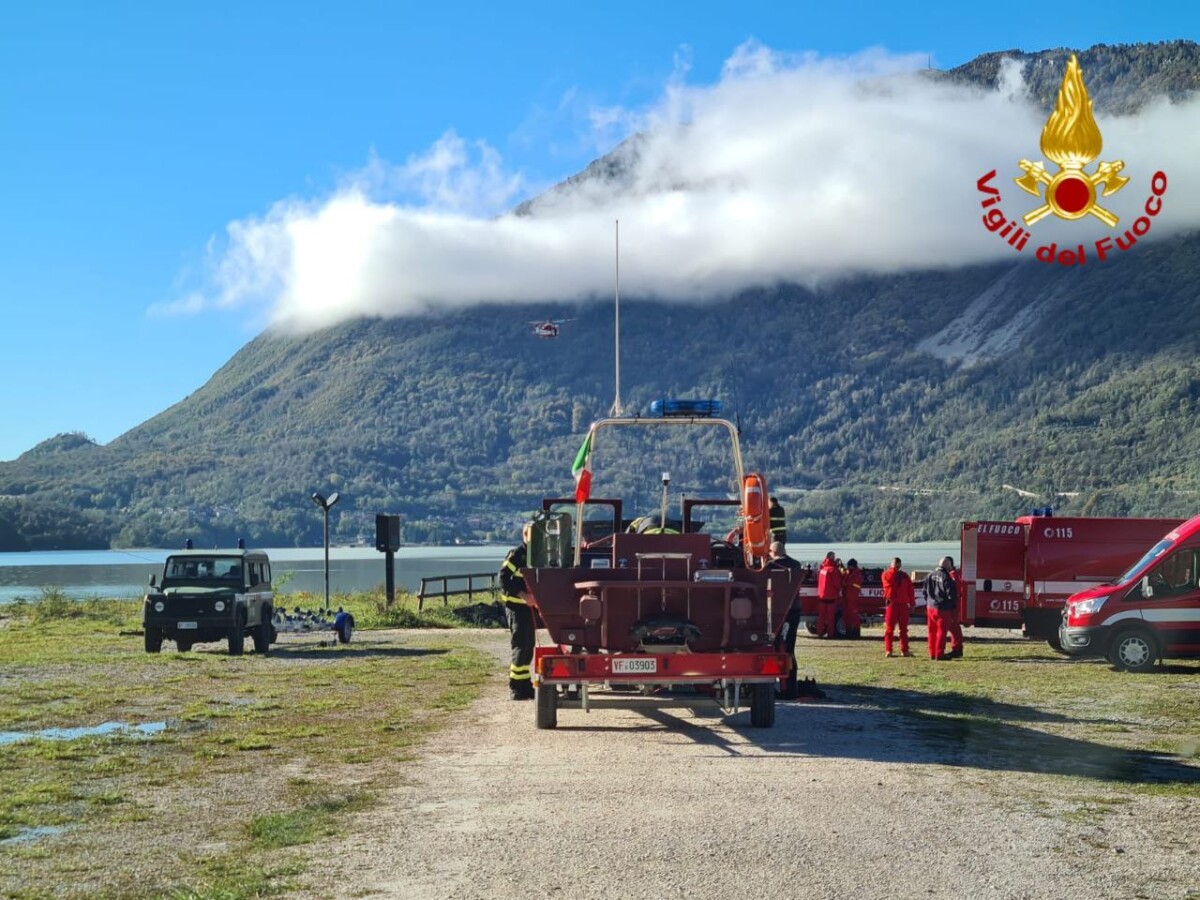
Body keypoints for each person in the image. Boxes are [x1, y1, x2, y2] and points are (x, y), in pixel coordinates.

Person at [499, 523, 536, 700]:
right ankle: (516, 687)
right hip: (516, 607)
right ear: (525, 535)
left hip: (528, 608)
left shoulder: (537, 555)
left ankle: (525, 685)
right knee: (521, 646)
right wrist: (523, 595)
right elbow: (503, 578)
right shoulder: (516, 555)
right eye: (533, 535)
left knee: (529, 646)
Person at [768, 541, 802, 698]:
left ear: (773, 552)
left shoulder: (770, 566)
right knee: (789, 649)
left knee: (774, 649)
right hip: (794, 610)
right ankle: (790, 687)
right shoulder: (796, 564)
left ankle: (777, 686)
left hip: (776, 611)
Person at [924, 556, 960, 660]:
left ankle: (932, 653)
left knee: (932, 631)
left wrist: (929, 601)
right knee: (941, 632)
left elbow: (924, 590)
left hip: (930, 607)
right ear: (948, 566)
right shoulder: (946, 576)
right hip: (942, 608)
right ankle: (939, 654)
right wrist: (952, 606)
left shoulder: (930, 575)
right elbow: (951, 594)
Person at [881, 557, 914, 657]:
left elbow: (910, 590)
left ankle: (904, 650)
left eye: (898, 565)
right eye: (896, 564)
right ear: (891, 564)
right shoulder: (886, 574)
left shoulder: (904, 576)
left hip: (903, 605)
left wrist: (912, 604)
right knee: (889, 629)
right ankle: (888, 650)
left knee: (903, 629)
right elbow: (889, 582)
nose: (897, 566)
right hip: (892, 604)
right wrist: (894, 571)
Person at [815, 551, 842, 638]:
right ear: (832, 558)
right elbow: (837, 584)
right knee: (831, 618)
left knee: (821, 617)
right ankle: (830, 634)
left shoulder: (822, 569)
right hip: (831, 598)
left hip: (821, 597)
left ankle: (820, 633)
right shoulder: (833, 570)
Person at [946, 562, 966, 659]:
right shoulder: (954, 575)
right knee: (955, 628)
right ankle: (957, 648)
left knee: (954, 628)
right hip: (954, 605)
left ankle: (957, 649)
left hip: (952, 606)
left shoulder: (952, 575)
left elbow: (956, 591)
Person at [842, 558, 863, 639]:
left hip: (853, 597)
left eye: (850, 566)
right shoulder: (847, 572)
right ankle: (848, 632)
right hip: (846, 597)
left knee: (854, 616)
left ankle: (856, 633)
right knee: (846, 615)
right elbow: (844, 581)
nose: (849, 568)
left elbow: (855, 584)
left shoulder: (858, 574)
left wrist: (847, 583)